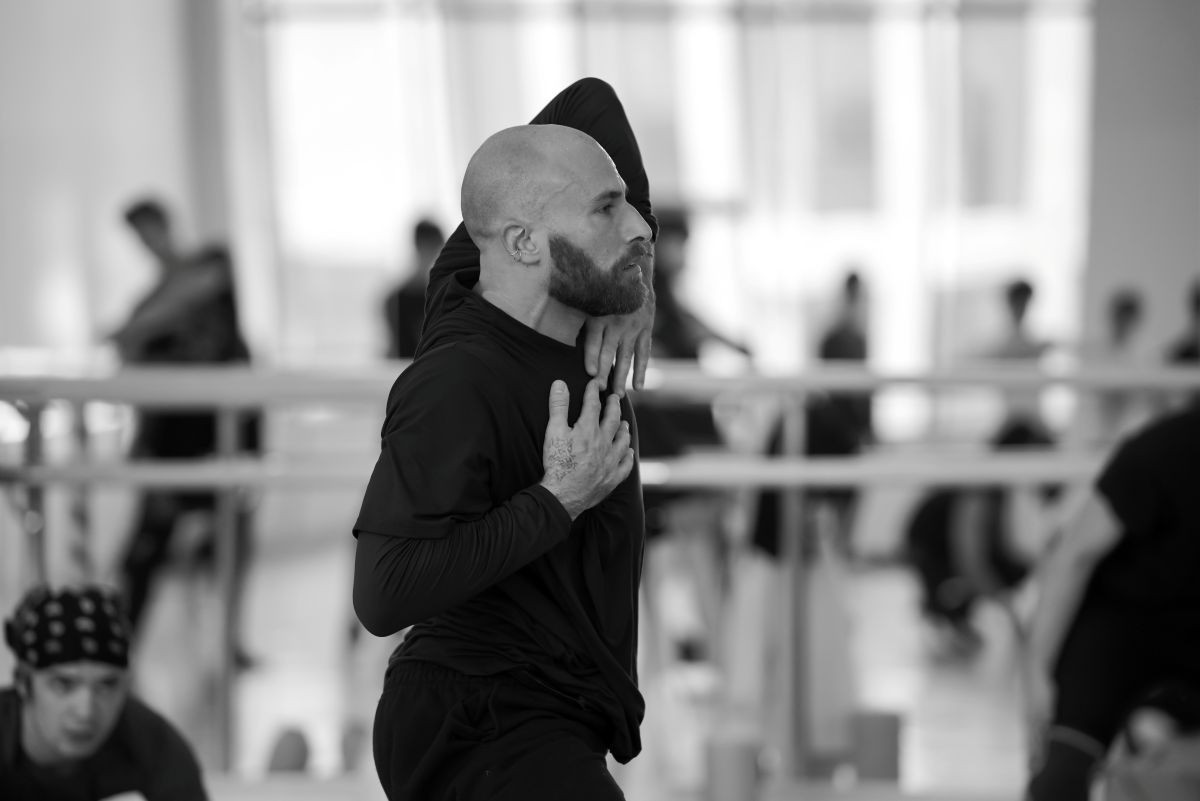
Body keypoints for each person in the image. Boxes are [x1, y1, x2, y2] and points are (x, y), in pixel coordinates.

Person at [352, 77, 658, 801]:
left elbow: (589, 102)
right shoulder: (456, 377)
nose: (640, 230)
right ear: (523, 243)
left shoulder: (490, 271)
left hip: (547, 714)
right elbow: (384, 592)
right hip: (482, 721)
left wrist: (638, 277)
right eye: (607, 210)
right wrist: (558, 500)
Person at [110, 201, 261, 665]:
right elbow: (128, 357)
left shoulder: (209, 264)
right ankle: (119, 649)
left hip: (226, 433)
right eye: (140, 237)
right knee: (145, 551)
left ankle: (230, 642)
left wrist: (137, 326)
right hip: (173, 439)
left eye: (150, 231)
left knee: (234, 542)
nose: (149, 243)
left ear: (166, 225)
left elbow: (139, 330)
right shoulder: (152, 298)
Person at [1023, 406, 1200, 801]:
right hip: (1122, 626)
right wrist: (1036, 671)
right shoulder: (1164, 447)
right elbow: (1073, 557)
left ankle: (1153, 733)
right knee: (1060, 776)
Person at [0, 583, 208, 800]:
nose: (86, 711)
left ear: (127, 684)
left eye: (107, 685)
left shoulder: (153, 745)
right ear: (23, 682)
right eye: (64, 684)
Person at [382, 218, 447, 359]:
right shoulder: (395, 299)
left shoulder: (439, 295)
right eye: (433, 247)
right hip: (409, 368)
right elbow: (393, 349)